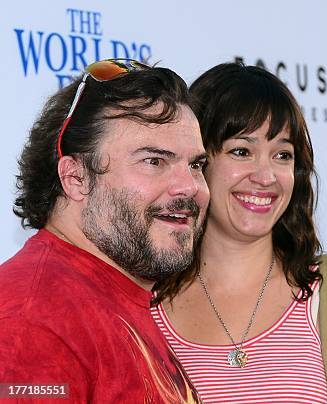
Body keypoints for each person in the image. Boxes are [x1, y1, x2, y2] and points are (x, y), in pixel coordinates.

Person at [152, 62, 327, 403]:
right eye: (241, 151)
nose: (266, 176)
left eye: (282, 154)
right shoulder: (143, 303)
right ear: (197, 162)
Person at [0, 59, 209, 403]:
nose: (190, 187)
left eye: (195, 165)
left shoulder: (113, 298)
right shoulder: (34, 322)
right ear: (76, 178)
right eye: (154, 161)